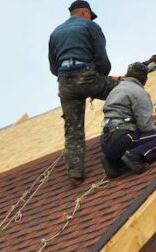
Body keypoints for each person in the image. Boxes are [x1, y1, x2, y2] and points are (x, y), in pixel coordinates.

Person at [49, 0, 119, 185]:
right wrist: (101, 78)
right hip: (86, 75)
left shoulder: (55, 33)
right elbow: (102, 59)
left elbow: (53, 67)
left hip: (65, 83)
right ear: (85, 13)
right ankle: (128, 134)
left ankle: (75, 173)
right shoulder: (90, 26)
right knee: (123, 91)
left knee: (73, 130)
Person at [100, 62, 156, 178]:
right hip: (124, 138)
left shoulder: (116, 90)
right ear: (145, 80)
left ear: (127, 74)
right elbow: (145, 126)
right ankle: (135, 156)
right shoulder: (139, 92)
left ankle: (114, 163)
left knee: (134, 137)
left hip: (106, 142)